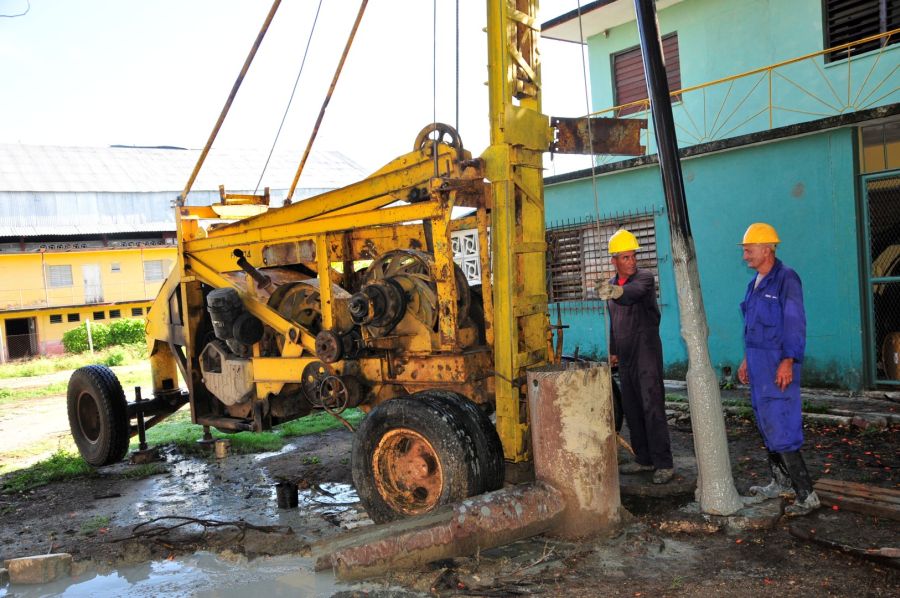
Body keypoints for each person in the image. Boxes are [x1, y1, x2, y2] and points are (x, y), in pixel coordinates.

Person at [737, 222, 820, 516]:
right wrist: (747, 359)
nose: (745, 256)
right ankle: (780, 481)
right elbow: (752, 327)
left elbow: (795, 321)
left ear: (767, 249)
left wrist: (788, 360)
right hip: (758, 363)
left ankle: (806, 494)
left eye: (749, 250)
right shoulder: (755, 283)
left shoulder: (786, 278)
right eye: (745, 251)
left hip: (777, 364)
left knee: (781, 424)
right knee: (765, 421)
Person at [597, 229, 674, 484]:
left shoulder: (644, 278)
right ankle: (644, 458)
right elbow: (614, 322)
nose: (632, 262)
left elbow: (632, 295)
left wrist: (616, 293)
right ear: (614, 261)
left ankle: (664, 463)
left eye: (633, 256)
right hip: (627, 355)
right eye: (626, 258)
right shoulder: (610, 286)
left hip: (647, 352)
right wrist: (613, 351)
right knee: (631, 408)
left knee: (652, 406)